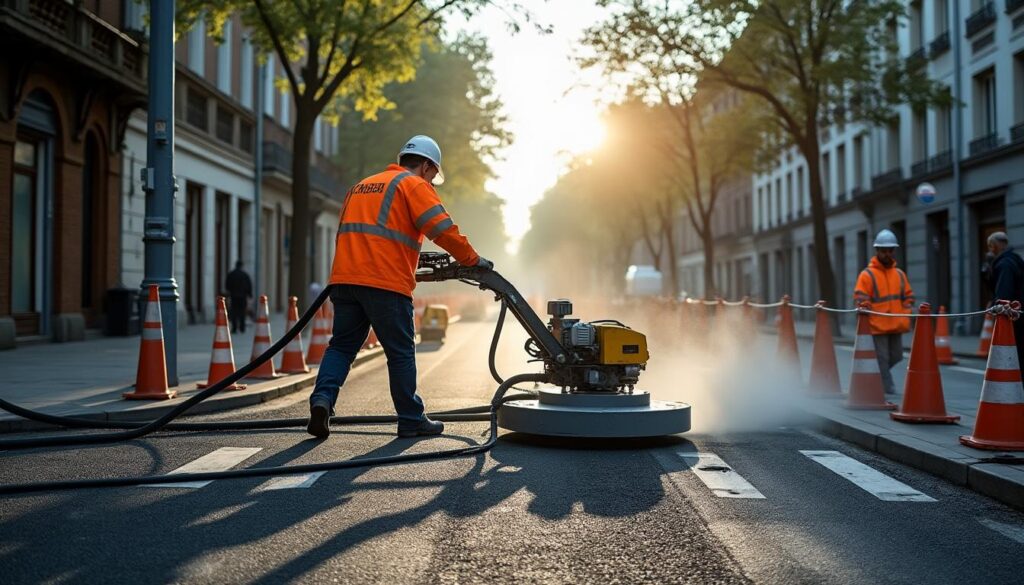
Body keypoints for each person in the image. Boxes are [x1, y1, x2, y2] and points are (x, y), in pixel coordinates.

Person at [307, 135, 493, 439]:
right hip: (385, 283)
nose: (431, 182)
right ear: (426, 166)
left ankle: (322, 400)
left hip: (344, 280)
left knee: (341, 346)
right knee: (401, 352)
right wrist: (473, 260)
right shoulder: (413, 185)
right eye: (432, 175)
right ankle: (410, 419)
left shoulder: (360, 186)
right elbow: (442, 230)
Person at [853, 229, 915, 395]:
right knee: (882, 358)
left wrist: (906, 310)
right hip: (877, 325)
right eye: (884, 251)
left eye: (890, 250)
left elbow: (909, 296)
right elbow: (860, 298)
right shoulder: (867, 275)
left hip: (896, 324)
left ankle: (871, 375)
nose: (887, 254)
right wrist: (867, 310)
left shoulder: (899, 274)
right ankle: (887, 388)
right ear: (877, 251)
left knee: (897, 356)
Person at [986, 231, 1024, 374]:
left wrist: (996, 306)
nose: (990, 250)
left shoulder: (1004, 264)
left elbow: (1004, 294)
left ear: (995, 245)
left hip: (1013, 316)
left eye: (990, 246)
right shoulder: (1016, 259)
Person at [224, 261, 253, 334]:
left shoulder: (231, 274)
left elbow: (227, 285)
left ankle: (234, 328)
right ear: (241, 266)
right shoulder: (245, 275)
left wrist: (229, 292)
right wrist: (249, 294)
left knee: (234, 311)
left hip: (234, 296)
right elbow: (249, 285)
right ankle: (242, 327)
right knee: (242, 311)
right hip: (242, 296)